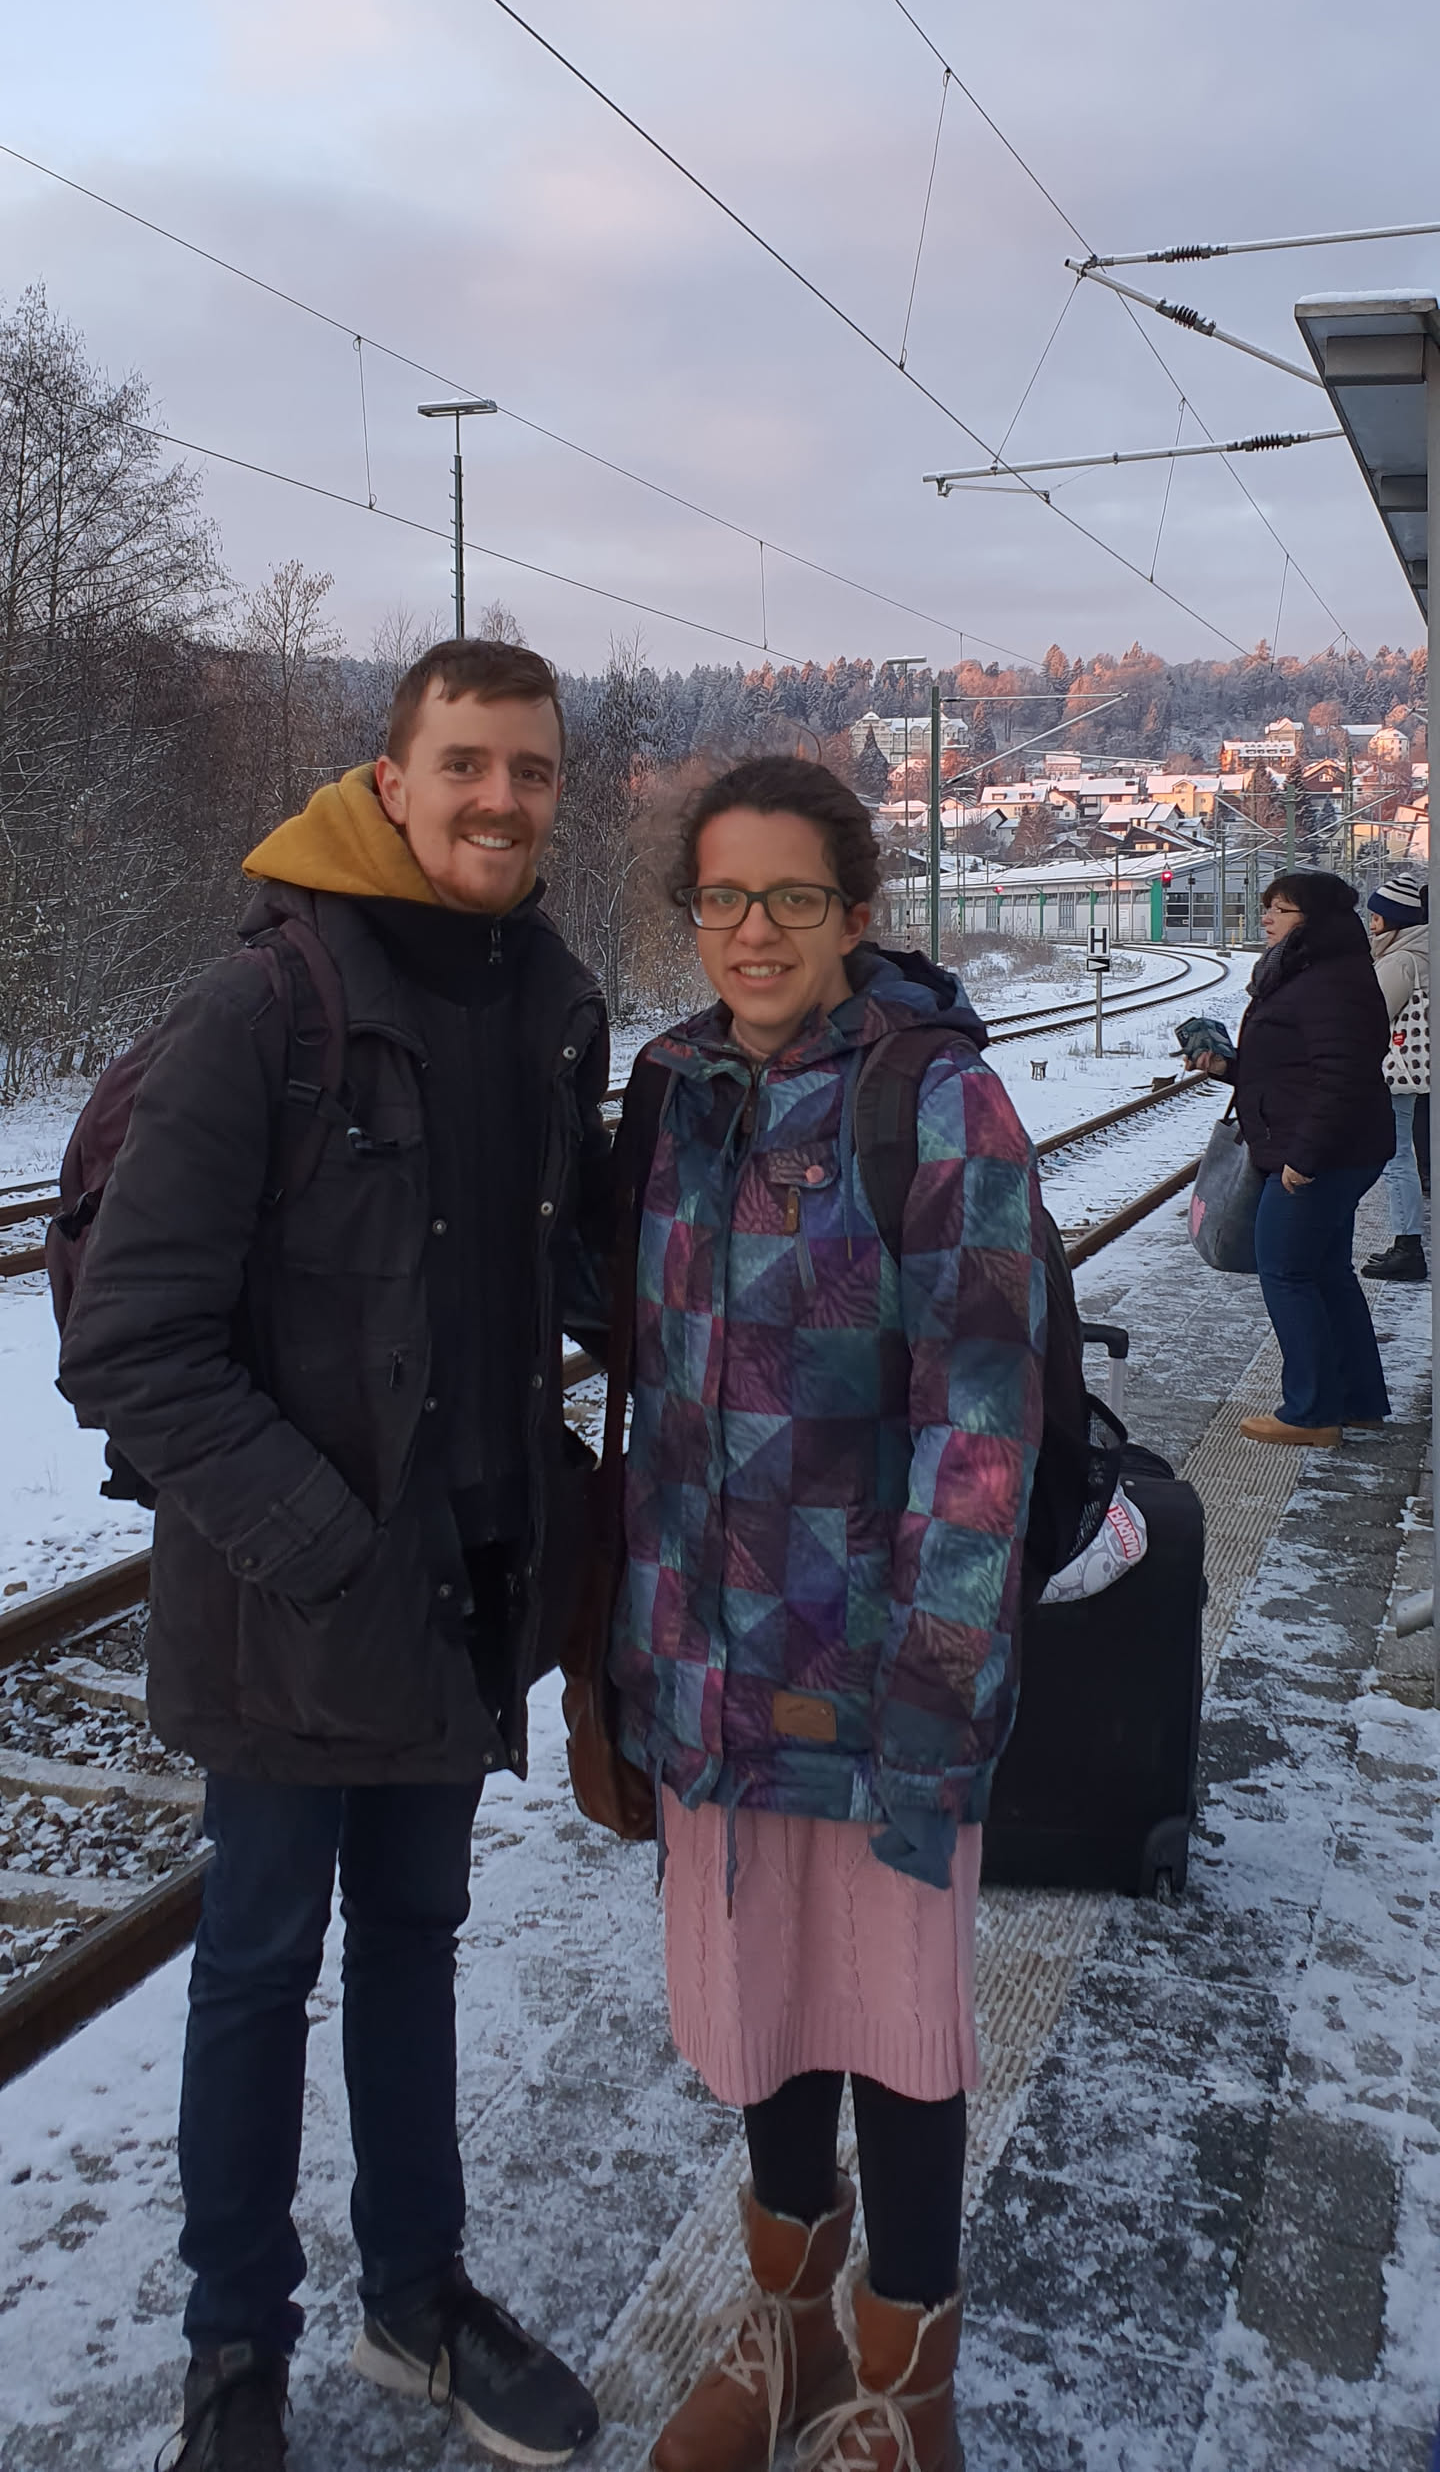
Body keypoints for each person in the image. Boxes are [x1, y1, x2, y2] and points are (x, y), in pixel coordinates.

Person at [58, 639, 611, 2472]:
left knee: (417, 1945)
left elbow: (551, 1265)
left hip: (460, 1591)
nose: (499, 798)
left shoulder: (550, 999)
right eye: (466, 762)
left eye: (531, 769)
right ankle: (236, 2343)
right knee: (257, 1959)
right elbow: (135, 1341)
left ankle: (415, 2290)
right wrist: (317, 1536)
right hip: (293, 1606)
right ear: (392, 779)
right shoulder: (265, 1007)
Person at [608, 758, 1046, 2472]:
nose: (754, 929)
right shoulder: (670, 1088)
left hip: (877, 1674)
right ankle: (789, 2329)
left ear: (857, 911)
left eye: (793, 895)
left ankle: (905, 2388)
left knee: (897, 2026)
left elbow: (983, 1423)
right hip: (706, 1655)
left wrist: (937, 1680)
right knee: (767, 2008)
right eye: (723, 895)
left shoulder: (935, 1101)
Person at [1184, 870, 1393, 1449]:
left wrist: (1305, 1156)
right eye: (1268, 906)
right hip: (1328, 1147)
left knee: (1286, 1273)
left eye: (1281, 909)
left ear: (1314, 920)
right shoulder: (1309, 973)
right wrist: (1226, 1066)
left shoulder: (1329, 981)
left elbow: (1342, 1077)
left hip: (1319, 1154)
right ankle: (1356, 1399)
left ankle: (1310, 1413)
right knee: (1325, 1273)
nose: (1267, 918)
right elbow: (1290, 1069)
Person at [1360, 861, 1430, 1283]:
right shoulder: (1421, 952)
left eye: (1376, 918)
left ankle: (1408, 1246)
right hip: (1412, 1070)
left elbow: (1371, 1015)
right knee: (1400, 1153)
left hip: (1397, 1071)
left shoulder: (1400, 960)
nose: (1371, 926)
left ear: (1394, 920)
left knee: (1398, 1156)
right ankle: (1407, 1242)